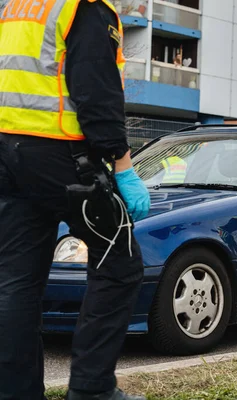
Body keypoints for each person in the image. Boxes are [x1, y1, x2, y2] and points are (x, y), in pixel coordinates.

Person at [0, 0, 150, 398]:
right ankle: (92, 389)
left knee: (16, 281)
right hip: (62, 155)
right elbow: (96, 92)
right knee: (120, 260)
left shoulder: (16, 7)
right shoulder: (84, 8)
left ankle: (15, 392)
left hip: (7, 154)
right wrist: (123, 166)